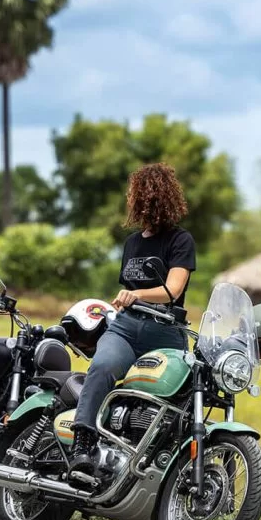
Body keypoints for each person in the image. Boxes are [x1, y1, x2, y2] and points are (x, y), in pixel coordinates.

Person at [70, 162, 196, 480]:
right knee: (102, 368)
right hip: (126, 328)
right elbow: (131, 291)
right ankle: (82, 444)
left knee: (180, 402)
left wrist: (136, 294)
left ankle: (173, 470)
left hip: (166, 333)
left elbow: (173, 290)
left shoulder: (180, 241)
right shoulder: (132, 244)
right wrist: (132, 298)